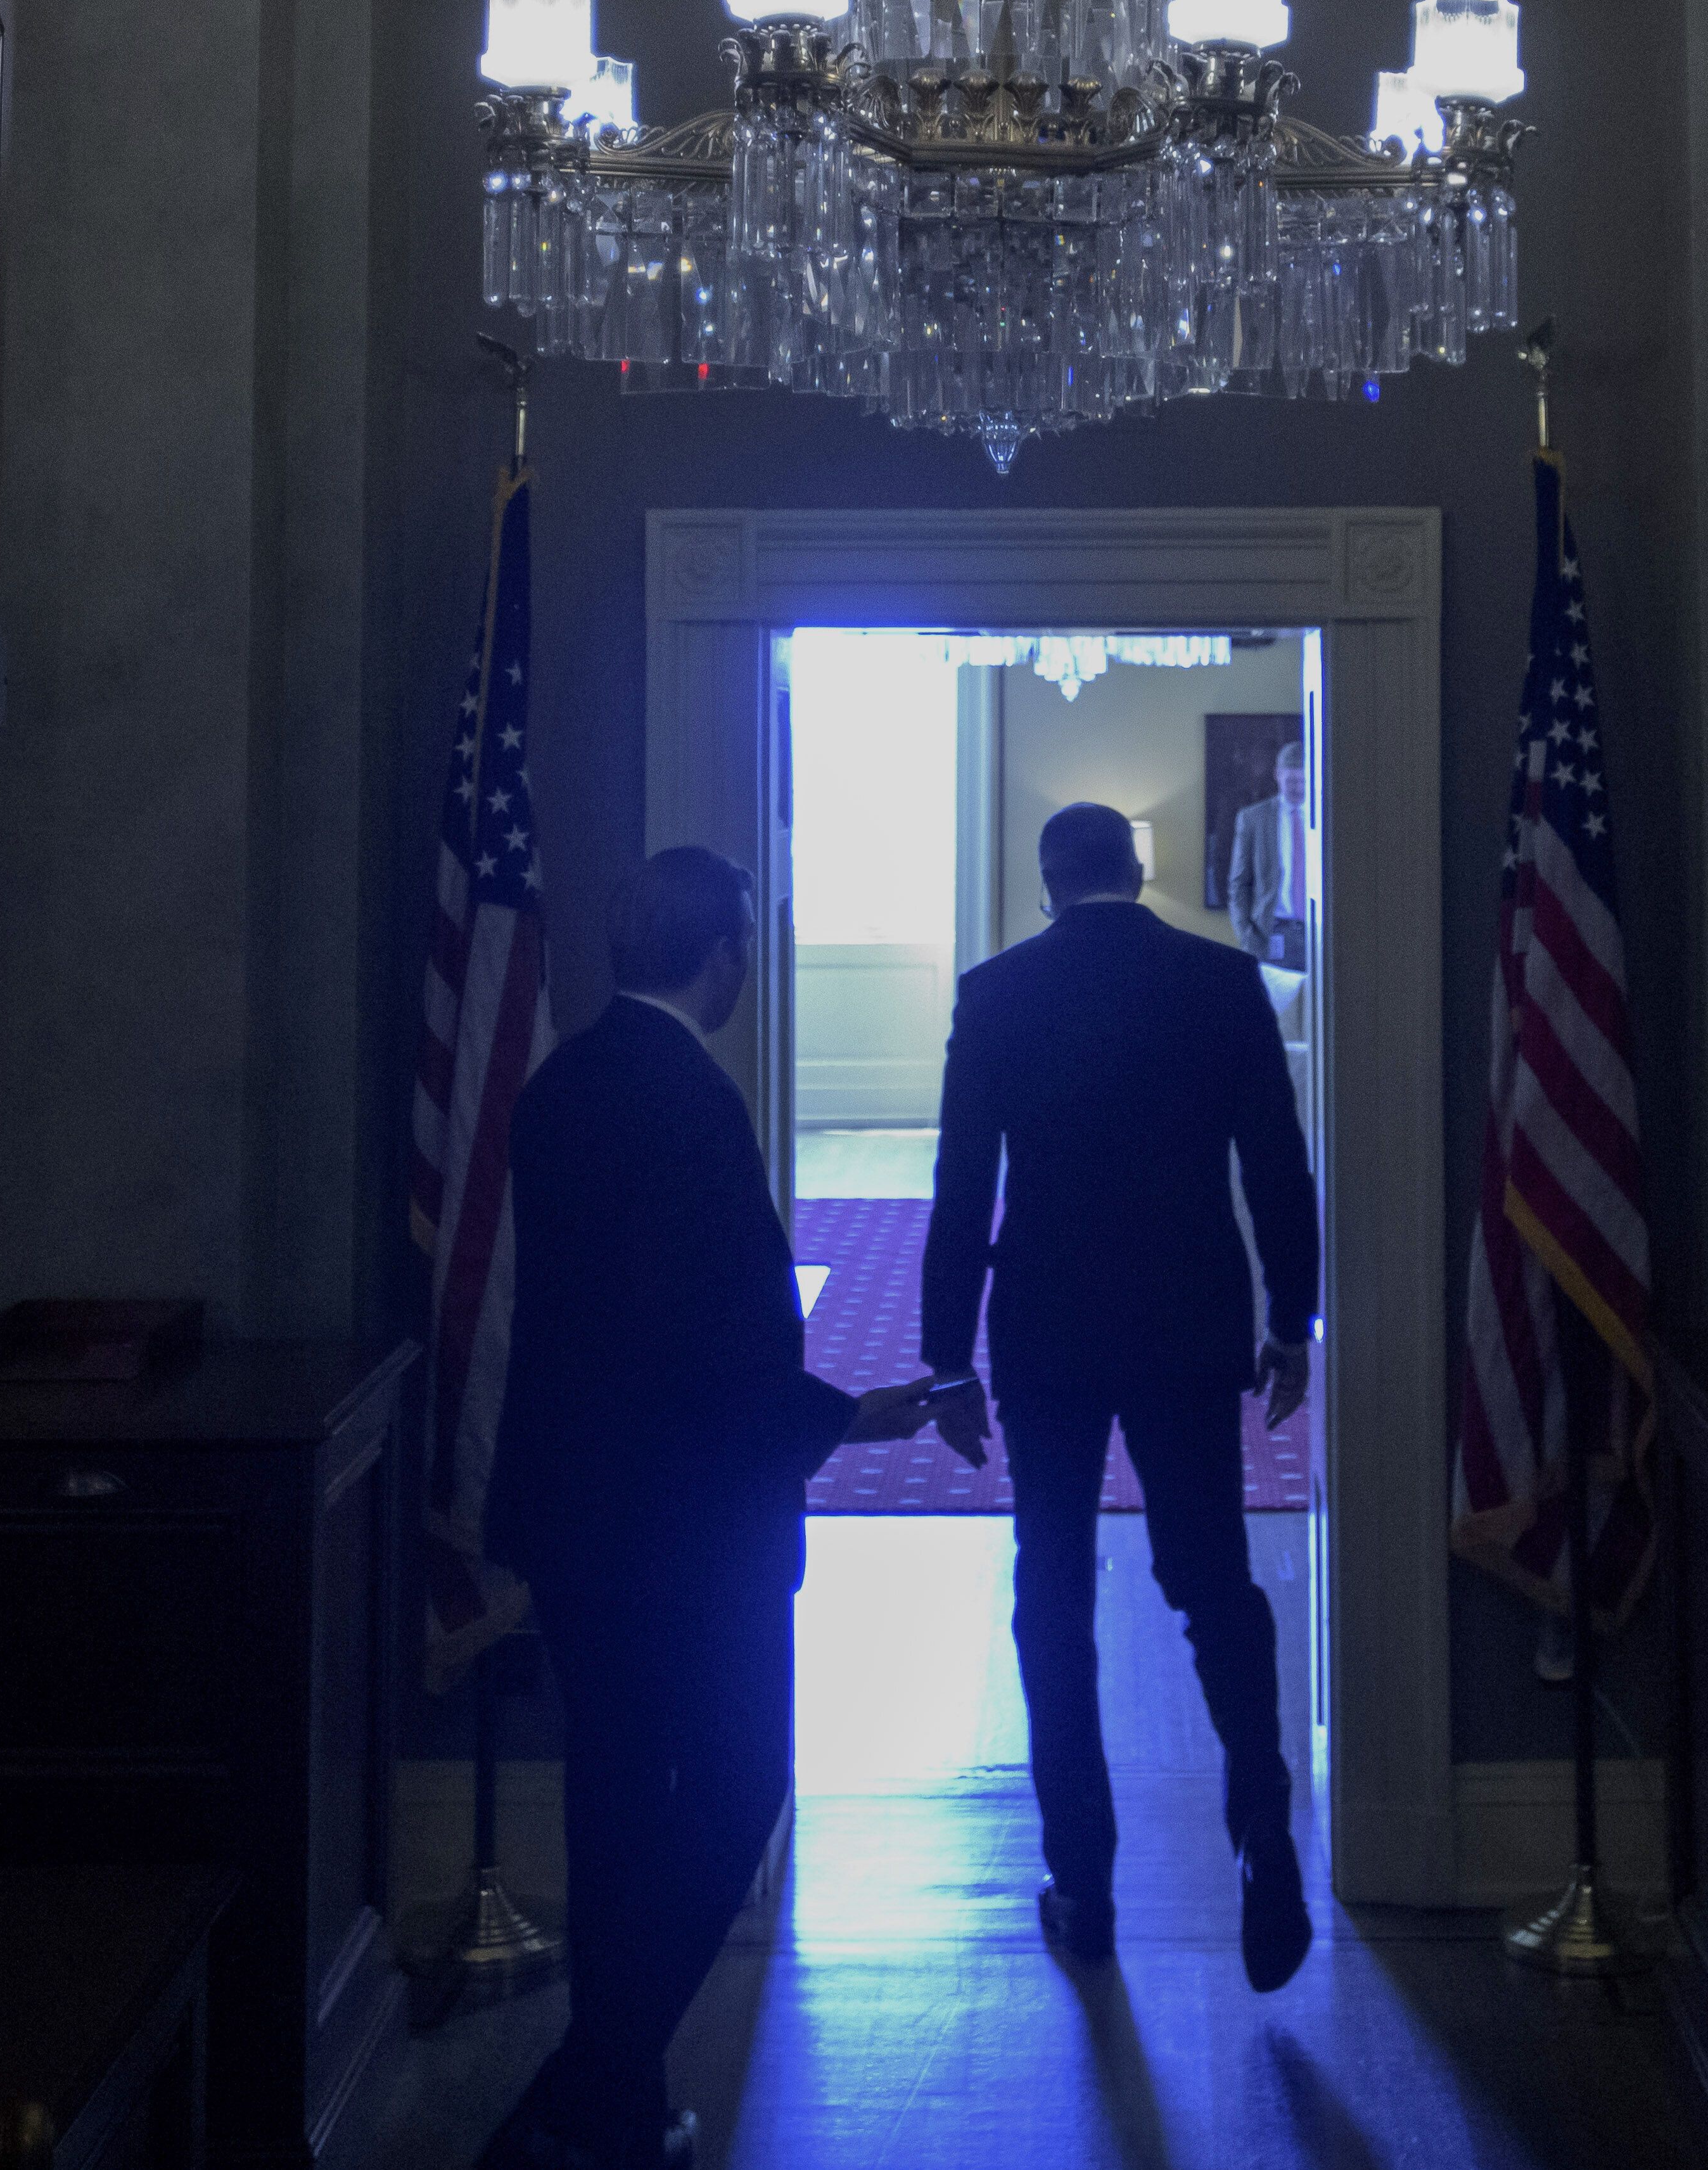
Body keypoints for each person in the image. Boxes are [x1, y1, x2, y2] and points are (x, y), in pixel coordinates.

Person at [481, 846, 936, 2170]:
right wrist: (845, 1412)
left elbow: (600, 1321)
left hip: (574, 1514)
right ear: (721, 952)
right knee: (737, 1791)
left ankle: (612, 2113)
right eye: (745, 940)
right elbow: (708, 1341)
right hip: (688, 1528)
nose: (749, 960)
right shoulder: (691, 1103)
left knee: (616, 1797)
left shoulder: (561, 1082)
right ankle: (585, 2087)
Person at [923, 800, 1322, 1990]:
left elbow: (959, 1189)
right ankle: (1263, 1836)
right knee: (1210, 1580)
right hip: (1189, 1319)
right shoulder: (1218, 980)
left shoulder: (996, 993)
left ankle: (1084, 1885)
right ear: (1137, 873)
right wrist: (1290, 1324)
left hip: (1045, 1327)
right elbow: (1278, 1166)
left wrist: (947, 1358)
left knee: (1050, 1589)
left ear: (1047, 883)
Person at [1221, 737, 1310, 971]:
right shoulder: (1253, 818)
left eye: (1303, 780)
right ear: (1277, 775)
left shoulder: (1327, 817)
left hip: (1320, 935)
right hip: (1270, 934)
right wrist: (1247, 937)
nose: (1298, 787)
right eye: (1291, 780)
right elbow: (1238, 885)